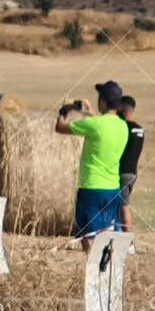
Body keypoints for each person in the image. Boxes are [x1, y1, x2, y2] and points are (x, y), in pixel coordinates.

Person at [54, 80, 129, 245]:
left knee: (88, 238)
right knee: (108, 236)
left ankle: (92, 261)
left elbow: (60, 127)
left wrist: (64, 109)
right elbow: (102, 126)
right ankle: (106, 261)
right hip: (113, 189)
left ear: (103, 102)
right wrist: (89, 113)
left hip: (91, 188)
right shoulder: (123, 127)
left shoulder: (93, 124)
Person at [115, 95, 144, 231]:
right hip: (132, 173)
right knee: (121, 204)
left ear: (124, 109)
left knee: (124, 207)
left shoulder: (123, 127)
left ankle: (128, 238)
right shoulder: (140, 129)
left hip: (122, 172)